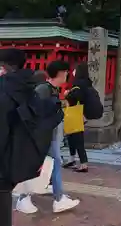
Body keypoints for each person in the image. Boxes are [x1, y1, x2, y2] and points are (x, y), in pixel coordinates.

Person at [16, 60, 80, 215]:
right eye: (65, 72)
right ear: (60, 73)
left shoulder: (50, 89)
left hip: (47, 135)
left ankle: (34, 197)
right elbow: (35, 114)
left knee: (51, 163)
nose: (67, 75)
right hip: (43, 136)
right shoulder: (44, 90)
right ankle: (51, 198)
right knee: (50, 162)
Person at [0, 48, 38, 226]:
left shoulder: (4, 94)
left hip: (2, 166)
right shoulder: (29, 90)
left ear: (3, 67)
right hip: (15, 164)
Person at [63, 63, 89, 172]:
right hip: (78, 114)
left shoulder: (79, 83)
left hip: (75, 114)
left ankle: (83, 163)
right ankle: (72, 159)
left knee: (77, 139)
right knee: (72, 138)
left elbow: (75, 96)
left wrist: (67, 94)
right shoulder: (86, 82)